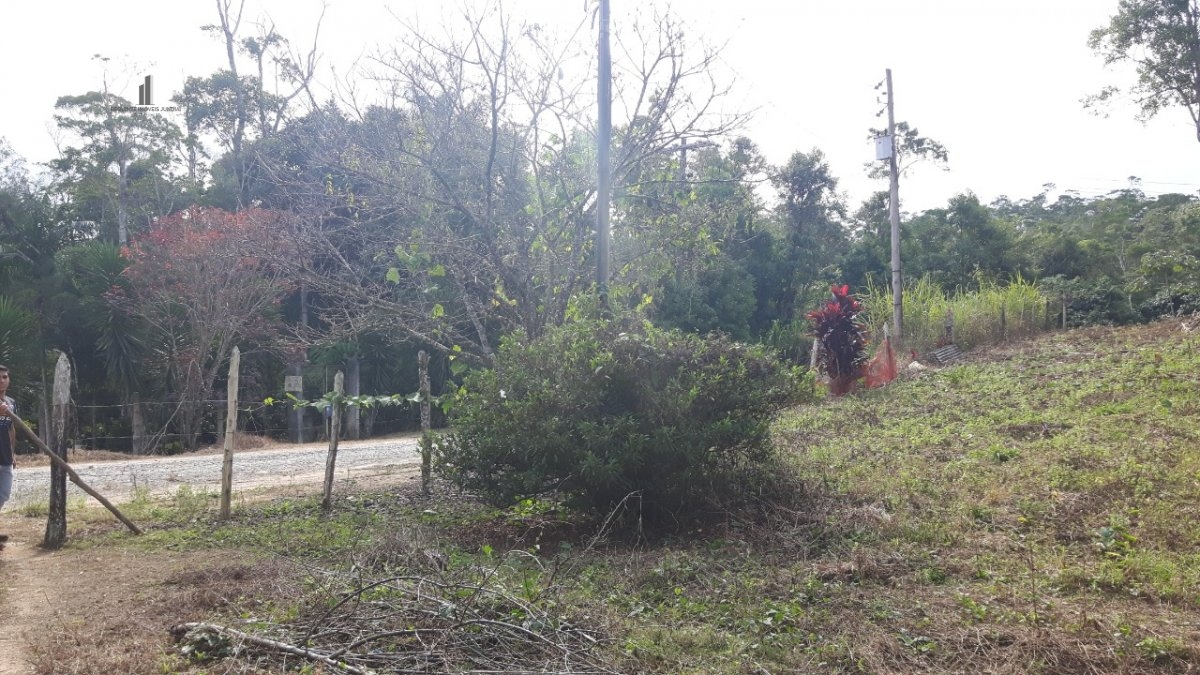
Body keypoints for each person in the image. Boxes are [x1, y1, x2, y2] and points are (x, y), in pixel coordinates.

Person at [0, 364, 15, 545]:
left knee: (3, 494)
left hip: (5, 457)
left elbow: (11, 429)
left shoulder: (11, 403)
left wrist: (13, 453)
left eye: (5, 377)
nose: (2, 380)